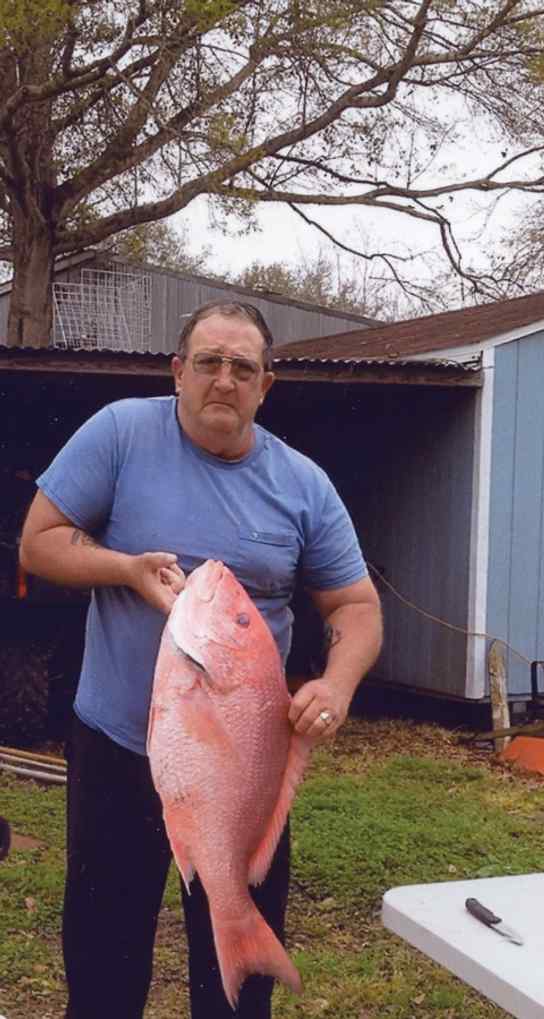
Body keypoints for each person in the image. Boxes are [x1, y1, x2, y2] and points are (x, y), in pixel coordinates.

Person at [19, 300, 383, 1019]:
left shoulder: (303, 485)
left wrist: (337, 685)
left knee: (236, 995)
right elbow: (39, 541)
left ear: (265, 385)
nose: (224, 380)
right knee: (103, 966)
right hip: (118, 748)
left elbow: (357, 606)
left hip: (242, 765)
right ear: (178, 371)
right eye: (209, 362)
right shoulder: (121, 433)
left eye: (243, 368)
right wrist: (126, 569)